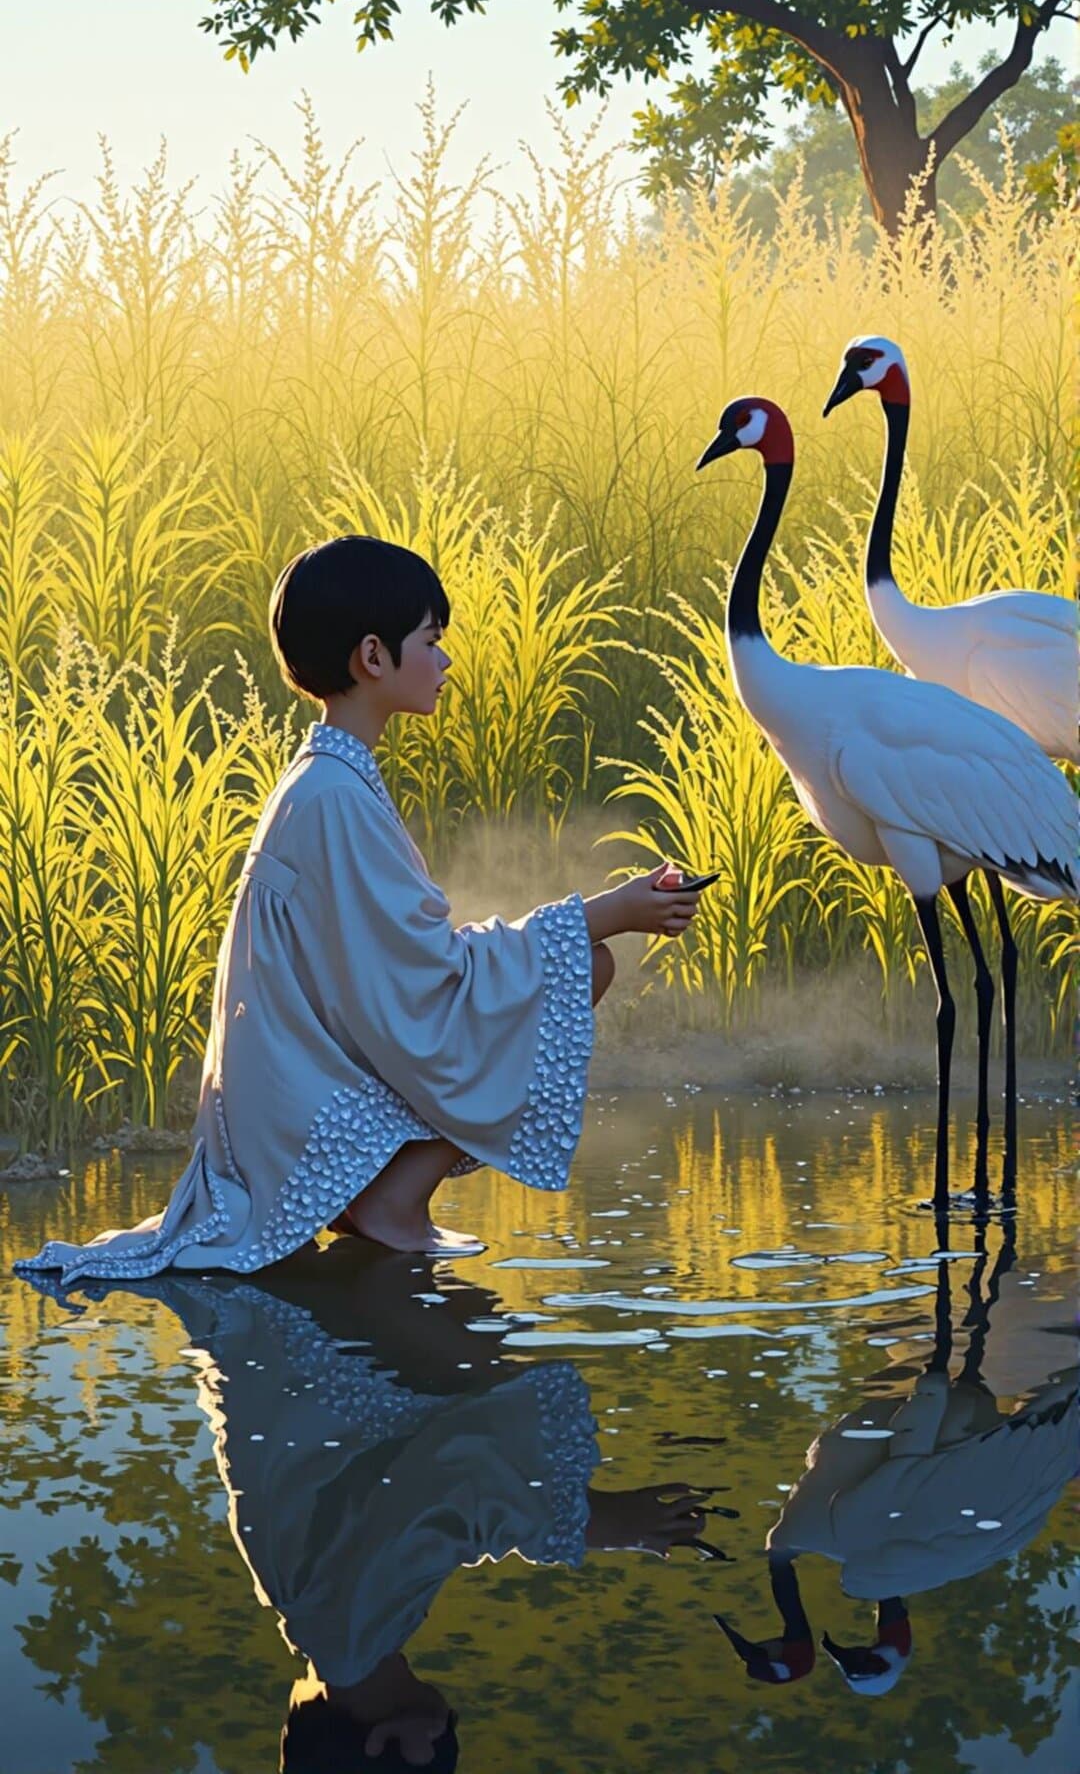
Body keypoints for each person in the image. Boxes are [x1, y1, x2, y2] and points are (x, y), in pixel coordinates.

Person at [14, 534, 702, 1288]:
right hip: (298, 1103)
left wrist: (598, 918)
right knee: (576, 968)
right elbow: (424, 980)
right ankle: (390, 1200)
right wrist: (608, 913)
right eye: (430, 642)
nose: (445, 661)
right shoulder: (334, 796)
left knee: (565, 964)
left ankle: (382, 1194)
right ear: (373, 656)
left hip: (295, 1083)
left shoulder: (327, 780)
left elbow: (400, 968)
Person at [90, 1242, 716, 1771]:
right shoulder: (326, 1633)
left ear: (382, 1746)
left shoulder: (352, 1637)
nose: (450, 1746)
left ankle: (390, 1230)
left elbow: (444, 1494)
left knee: (455, 1327)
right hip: (282, 1334)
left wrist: (589, 1525)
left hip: (324, 1347)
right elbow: (423, 1520)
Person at [716, 1224, 1078, 1697]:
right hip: (955, 1419)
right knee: (963, 1322)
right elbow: (908, 1466)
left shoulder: (855, 1541)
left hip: (954, 1417)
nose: (847, 1653)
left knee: (969, 1326)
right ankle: (986, 1237)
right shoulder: (857, 1541)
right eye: (864, 1659)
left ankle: (984, 1238)